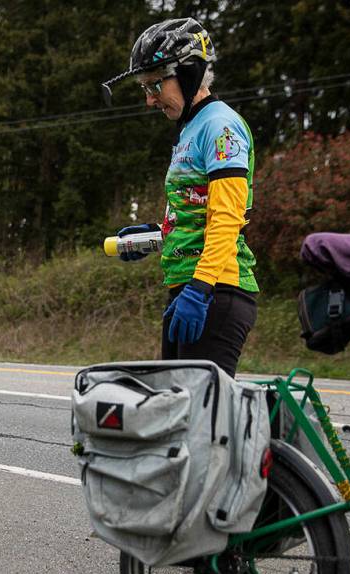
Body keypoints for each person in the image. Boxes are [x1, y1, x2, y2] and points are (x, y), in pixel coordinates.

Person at [102, 18, 258, 378]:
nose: (149, 99)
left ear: (189, 73)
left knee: (199, 422)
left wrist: (201, 289)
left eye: (156, 84)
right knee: (179, 417)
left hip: (215, 289)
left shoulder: (221, 127)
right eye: (145, 87)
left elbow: (227, 218)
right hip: (190, 287)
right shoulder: (191, 129)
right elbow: (198, 211)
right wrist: (159, 233)